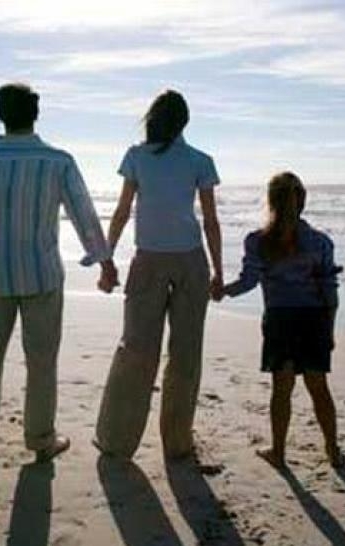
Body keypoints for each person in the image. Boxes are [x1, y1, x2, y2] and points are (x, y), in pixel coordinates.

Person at [0, 83, 116, 462]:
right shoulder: (57, 161)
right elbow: (83, 213)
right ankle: (41, 440)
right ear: (36, 113)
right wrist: (104, 262)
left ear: (0, 114)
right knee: (42, 363)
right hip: (41, 276)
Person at [94, 89, 223, 461]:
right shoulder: (199, 160)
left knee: (136, 349)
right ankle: (177, 443)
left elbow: (122, 212)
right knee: (186, 354)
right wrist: (218, 270)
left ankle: (116, 440)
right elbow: (210, 222)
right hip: (190, 261)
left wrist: (107, 258)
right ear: (184, 122)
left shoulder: (137, 157)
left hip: (149, 260)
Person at [219, 171, 344, 468]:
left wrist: (223, 291)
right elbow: (330, 293)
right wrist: (330, 329)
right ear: (303, 201)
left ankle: (278, 452)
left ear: (271, 202)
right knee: (319, 388)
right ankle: (332, 450)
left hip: (280, 320)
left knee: (282, 389)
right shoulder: (321, 242)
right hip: (314, 319)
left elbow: (248, 281)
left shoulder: (258, 241)